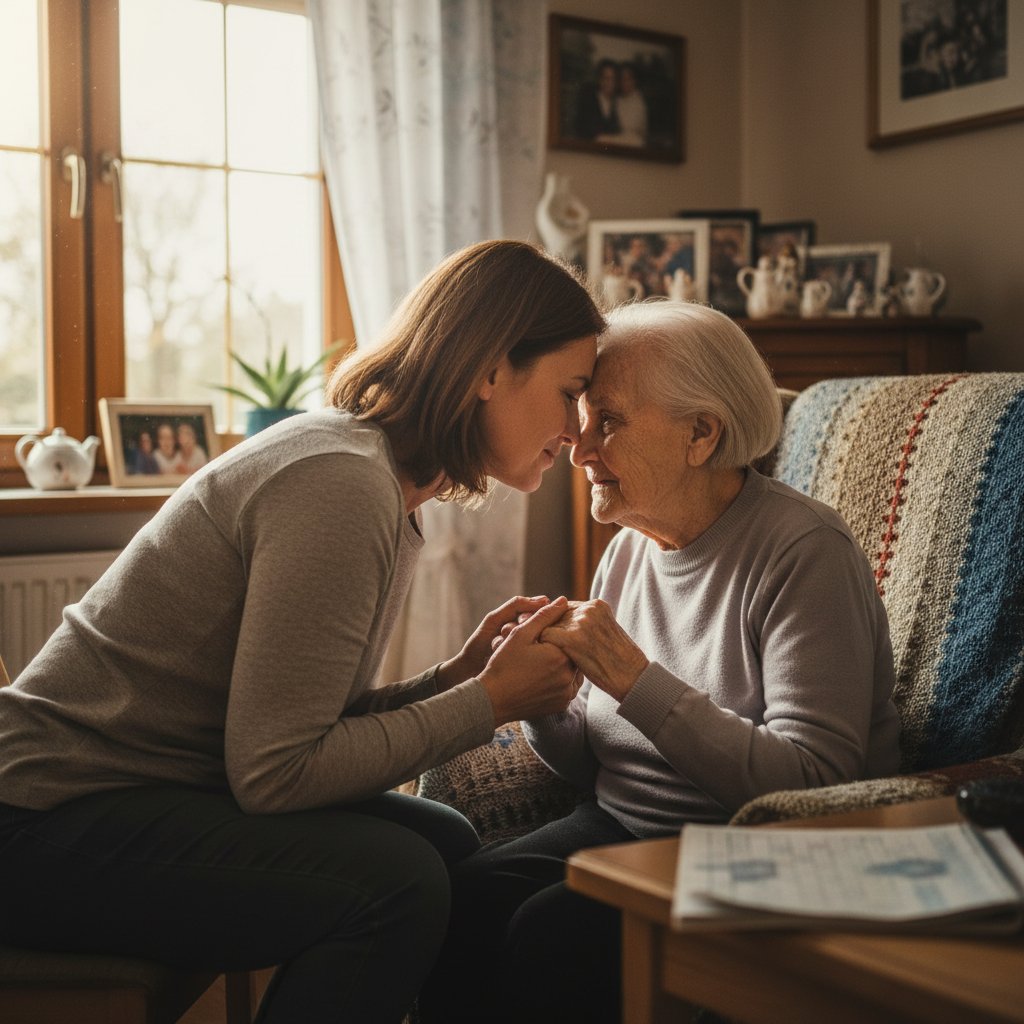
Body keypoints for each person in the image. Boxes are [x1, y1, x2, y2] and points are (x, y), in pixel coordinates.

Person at [0, 240, 605, 1024]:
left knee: (449, 844)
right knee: (397, 883)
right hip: (39, 823)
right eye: (571, 392)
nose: (578, 428)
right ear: (490, 370)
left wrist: (454, 680)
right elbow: (277, 772)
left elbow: (298, 723)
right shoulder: (342, 486)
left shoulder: (380, 481)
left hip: (144, 793)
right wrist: (487, 703)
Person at [418, 300, 900, 1024]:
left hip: (756, 857)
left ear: (701, 434)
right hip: (620, 828)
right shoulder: (630, 549)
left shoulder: (804, 555)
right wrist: (548, 702)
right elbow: (597, 765)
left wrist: (635, 679)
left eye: (607, 421)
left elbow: (814, 782)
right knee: (455, 901)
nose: (578, 449)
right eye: (581, 417)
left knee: (548, 936)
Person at [575, 58, 620, 140]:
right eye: (606, 78)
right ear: (599, 79)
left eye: (612, 79)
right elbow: (583, 129)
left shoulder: (617, 103)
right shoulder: (588, 99)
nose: (609, 83)